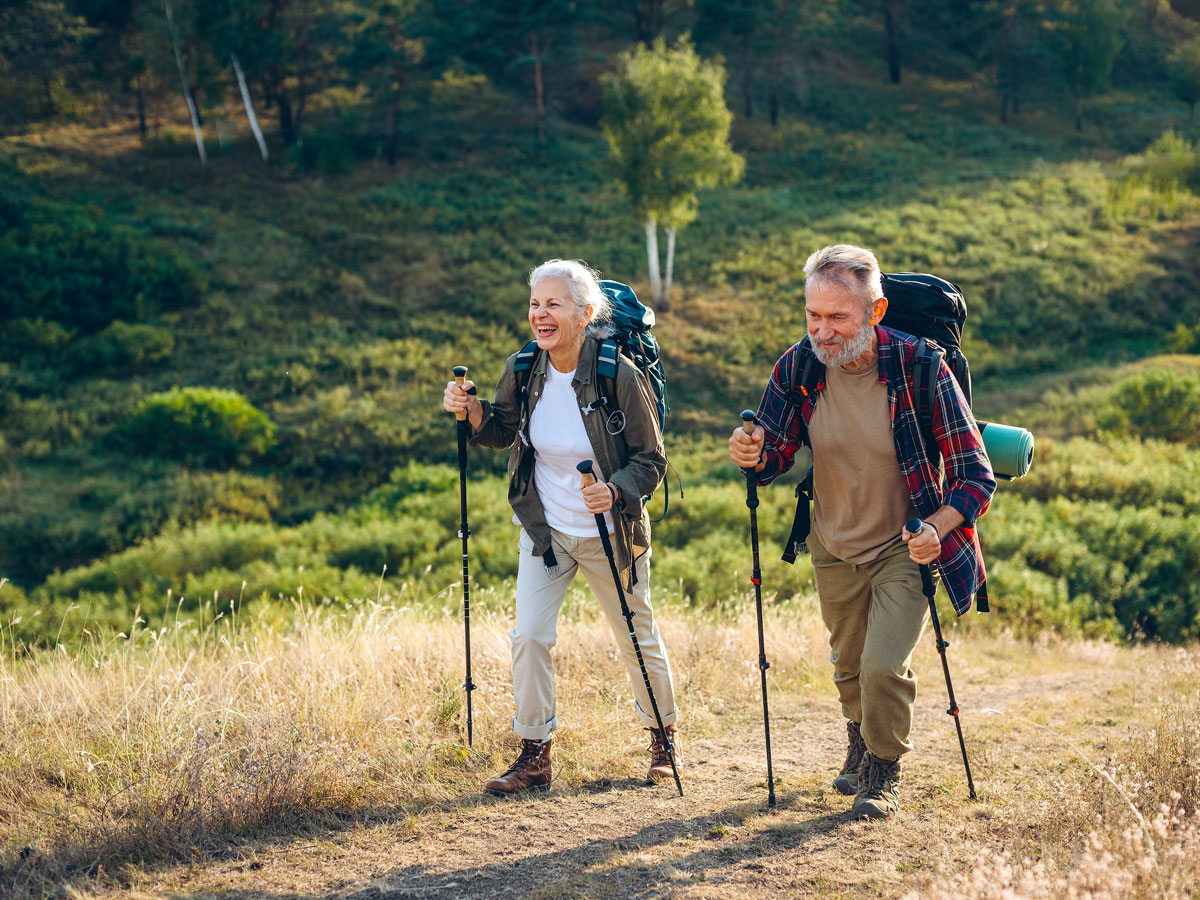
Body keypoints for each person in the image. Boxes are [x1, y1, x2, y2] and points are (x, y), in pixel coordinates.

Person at [728, 244, 995, 819]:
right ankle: (859, 739)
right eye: (812, 316)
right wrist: (751, 452)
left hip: (906, 543)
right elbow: (773, 456)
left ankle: (883, 769)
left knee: (881, 666)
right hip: (832, 537)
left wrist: (938, 528)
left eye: (837, 318)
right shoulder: (799, 366)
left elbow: (976, 475)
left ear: (875, 312)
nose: (822, 332)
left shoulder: (920, 366)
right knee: (848, 664)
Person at [443, 258, 679, 797]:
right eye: (534, 304)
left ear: (585, 313)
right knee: (528, 636)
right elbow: (502, 429)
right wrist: (470, 409)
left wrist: (615, 489)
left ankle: (663, 739)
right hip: (545, 529)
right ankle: (534, 755)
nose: (540, 315)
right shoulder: (524, 368)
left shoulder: (618, 373)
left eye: (553, 304)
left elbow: (651, 459)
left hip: (611, 531)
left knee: (636, 637)